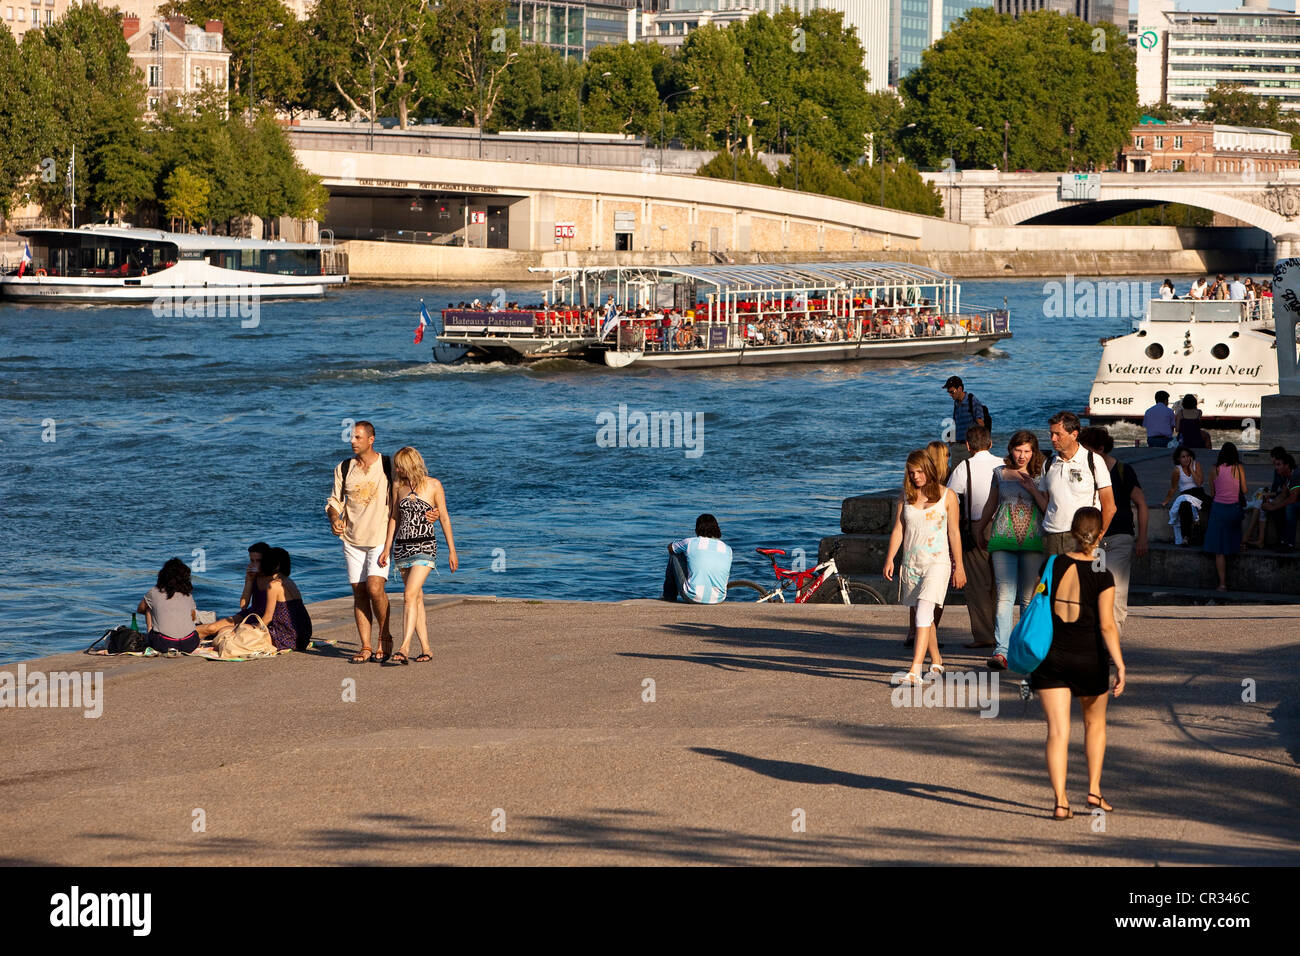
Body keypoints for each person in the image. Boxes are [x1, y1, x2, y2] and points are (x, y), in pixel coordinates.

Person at [1031, 508, 1126, 820]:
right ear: (1100, 535)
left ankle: (1060, 802)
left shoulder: (1051, 564)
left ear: (1072, 531)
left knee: (1057, 732)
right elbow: (1107, 626)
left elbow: (1036, 605)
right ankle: (1094, 790)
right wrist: (1120, 665)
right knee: (1094, 724)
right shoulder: (1102, 574)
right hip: (1089, 658)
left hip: (1051, 657)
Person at [882, 449, 966, 685]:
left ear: (929, 470)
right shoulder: (905, 498)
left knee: (923, 612)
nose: (916, 476)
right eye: (912, 473)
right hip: (912, 563)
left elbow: (954, 533)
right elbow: (899, 530)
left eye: (919, 471)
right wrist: (890, 558)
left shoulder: (947, 496)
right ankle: (937, 660)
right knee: (925, 616)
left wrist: (959, 565)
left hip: (938, 562)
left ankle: (915, 670)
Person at [975, 429, 1046, 671]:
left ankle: (1025, 648)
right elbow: (990, 504)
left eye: (1027, 451)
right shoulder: (1000, 473)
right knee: (1005, 595)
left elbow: (1048, 508)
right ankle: (1001, 651)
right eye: (1018, 450)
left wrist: (1033, 488)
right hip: (1003, 538)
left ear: (1034, 452)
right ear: (1010, 450)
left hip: (1033, 539)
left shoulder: (1041, 474)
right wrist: (979, 528)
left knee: (1028, 597)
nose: (1022, 455)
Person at [380, 446, 458, 664]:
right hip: (403, 547)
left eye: (400, 465)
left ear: (410, 464)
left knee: (408, 595)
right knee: (416, 598)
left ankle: (404, 647)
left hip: (425, 546)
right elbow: (394, 517)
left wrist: (452, 550)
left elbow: (444, 518)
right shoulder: (398, 485)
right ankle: (426, 648)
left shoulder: (433, 485)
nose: (396, 468)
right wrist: (387, 547)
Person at [326, 421, 395, 663]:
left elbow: (409, 492)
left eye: (357, 437)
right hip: (352, 540)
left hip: (380, 538)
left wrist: (432, 511)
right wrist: (335, 519)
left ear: (371, 439)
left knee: (375, 588)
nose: (352, 441)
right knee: (359, 592)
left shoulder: (388, 465)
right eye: (351, 437)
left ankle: (384, 636)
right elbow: (334, 502)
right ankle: (365, 646)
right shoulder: (344, 468)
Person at [1079, 427, 1148, 633]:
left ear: (1101, 449)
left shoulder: (1123, 470)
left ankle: (1111, 643)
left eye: (1088, 450)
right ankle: (1096, 641)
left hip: (1119, 538)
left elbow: (1141, 504)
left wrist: (1142, 538)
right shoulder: (1085, 471)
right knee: (1093, 591)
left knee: (1115, 592)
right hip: (1094, 541)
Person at [1026, 411, 1116, 556]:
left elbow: (1110, 507)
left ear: (1074, 435)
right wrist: (1033, 490)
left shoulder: (1093, 461)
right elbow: (1048, 505)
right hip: (1051, 536)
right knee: (1052, 578)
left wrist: (1097, 537)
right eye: (1051, 434)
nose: (1053, 439)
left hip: (1082, 537)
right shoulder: (1048, 464)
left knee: (1083, 578)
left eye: (1058, 434)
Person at [945, 424, 1000, 650]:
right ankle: (1001, 632)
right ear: (990, 443)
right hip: (1002, 525)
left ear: (968, 446)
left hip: (975, 525)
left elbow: (950, 496)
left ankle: (983, 634)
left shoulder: (963, 467)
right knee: (1001, 583)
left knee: (977, 584)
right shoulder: (1003, 463)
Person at [1202, 442, 1248, 590]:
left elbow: (1213, 493)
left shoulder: (1214, 469)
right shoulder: (1238, 468)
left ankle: (1222, 584)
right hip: (1234, 510)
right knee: (1233, 532)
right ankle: (1239, 543)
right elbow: (1245, 490)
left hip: (1219, 510)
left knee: (1219, 551)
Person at [663, 514, 732, 604]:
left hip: (692, 597)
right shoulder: (727, 549)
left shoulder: (690, 542)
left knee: (675, 555)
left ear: (697, 529)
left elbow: (670, 548)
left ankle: (669, 596)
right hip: (719, 598)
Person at [137, 558, 200, 655]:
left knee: (149, 607)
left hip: (164, 644)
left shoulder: (154, 592)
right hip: (190, 643)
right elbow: (193, 616)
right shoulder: (188, 594)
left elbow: (140, 609)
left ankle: (149, 632)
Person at [1160, 446, 1207, 546]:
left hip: (1199, 493)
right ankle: (1186, 537)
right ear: (1178, 459)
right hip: (1186, 494)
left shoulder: (1196, 465)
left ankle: (1207, 534)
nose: (1186, 459)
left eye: (1188, 456)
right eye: (1183, 457)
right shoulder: (1177, 470)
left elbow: (1199, 483)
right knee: (1184, 507)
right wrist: (1167, 500)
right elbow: (1173, 488)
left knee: (1211, 504)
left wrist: (1191, 469)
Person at [1256, 451, 1298, 552]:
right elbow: (1283, 494)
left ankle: (1290, 544)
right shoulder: (1286, 476)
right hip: (1294, 500)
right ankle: (1281, 540)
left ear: (1287, 465)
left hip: (1295, 501)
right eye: (1275, 464)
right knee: (1277, 510)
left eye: (1278, 464)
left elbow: (1292, 498)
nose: (1276, 467)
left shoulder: (1296, 475)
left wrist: (1273, 506)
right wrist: (1271, 504)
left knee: (1290, 508)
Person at [944, 376, 987, 447]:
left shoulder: (972, 400)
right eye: (948, 392)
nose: (950, 395)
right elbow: (956, 424)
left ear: (960, 389)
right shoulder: (956, 403)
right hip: (957, 445)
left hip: (969, 446)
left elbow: (981, 424)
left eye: (952, 392)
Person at [240, 541, 271, 610]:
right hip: (254, 611)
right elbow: (243, 606)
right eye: (252, 560)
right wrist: (249, 580)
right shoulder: (252, 577)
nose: (254, 564)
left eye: (258, 561)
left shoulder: (274, 578)